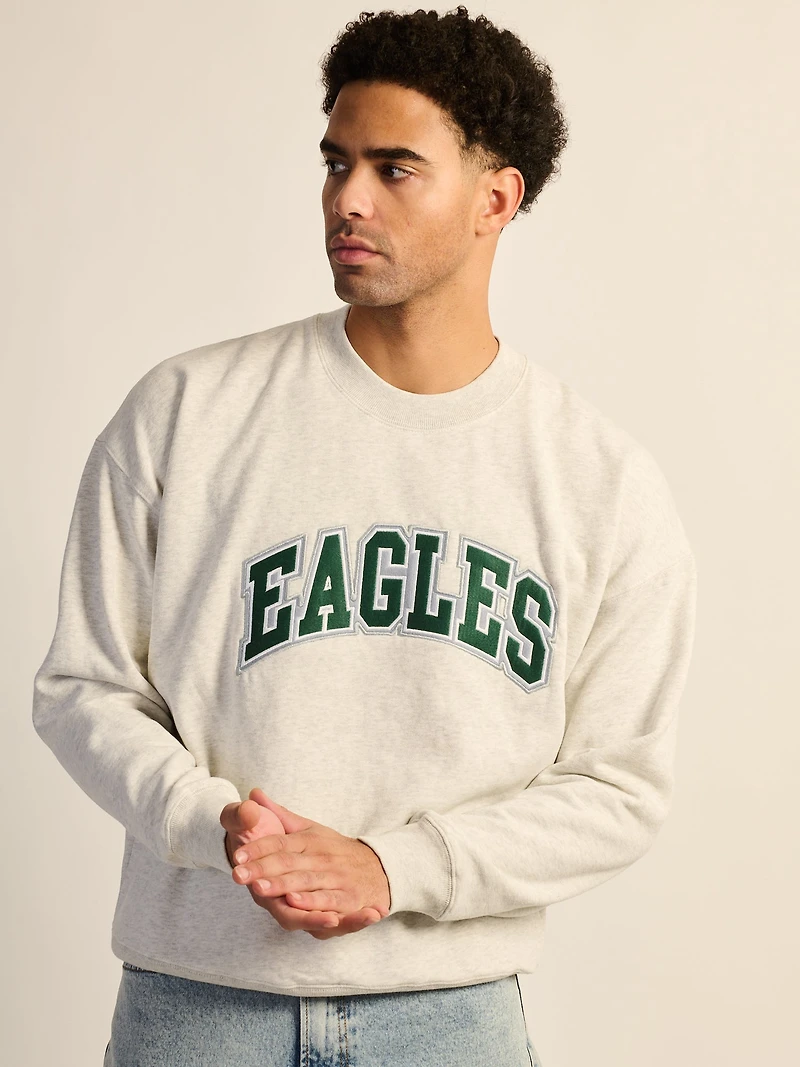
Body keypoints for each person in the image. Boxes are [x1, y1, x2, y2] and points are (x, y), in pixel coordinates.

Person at [31, 7, 697, 1066]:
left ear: (495, 198)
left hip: (449, 1017)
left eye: (394, 169)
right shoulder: (185, 413)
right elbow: (83, 687)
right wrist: (211, 822)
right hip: (198, 1009)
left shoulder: (599, 482)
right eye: (336, 162)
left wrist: (396, 868)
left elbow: (616, 788)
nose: (347, 197)